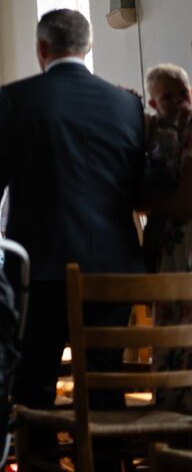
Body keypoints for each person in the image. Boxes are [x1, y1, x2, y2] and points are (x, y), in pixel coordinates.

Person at [0, 9, 144, 458]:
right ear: (87, 48)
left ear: (41, 49)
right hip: (114, 271)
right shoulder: (126, 104)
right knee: (104, 384)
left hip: (39, 269)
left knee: (33, 387)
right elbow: (140, 187)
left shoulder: (17, 98)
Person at [140, 64, 192, 411]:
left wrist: (144, 202)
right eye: (167, 97)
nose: (178, 102)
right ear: (154, 103)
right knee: (169, 336)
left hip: (186, 244)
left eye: (183, 93)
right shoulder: (157, 134)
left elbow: (184, 202)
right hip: (169, 248)